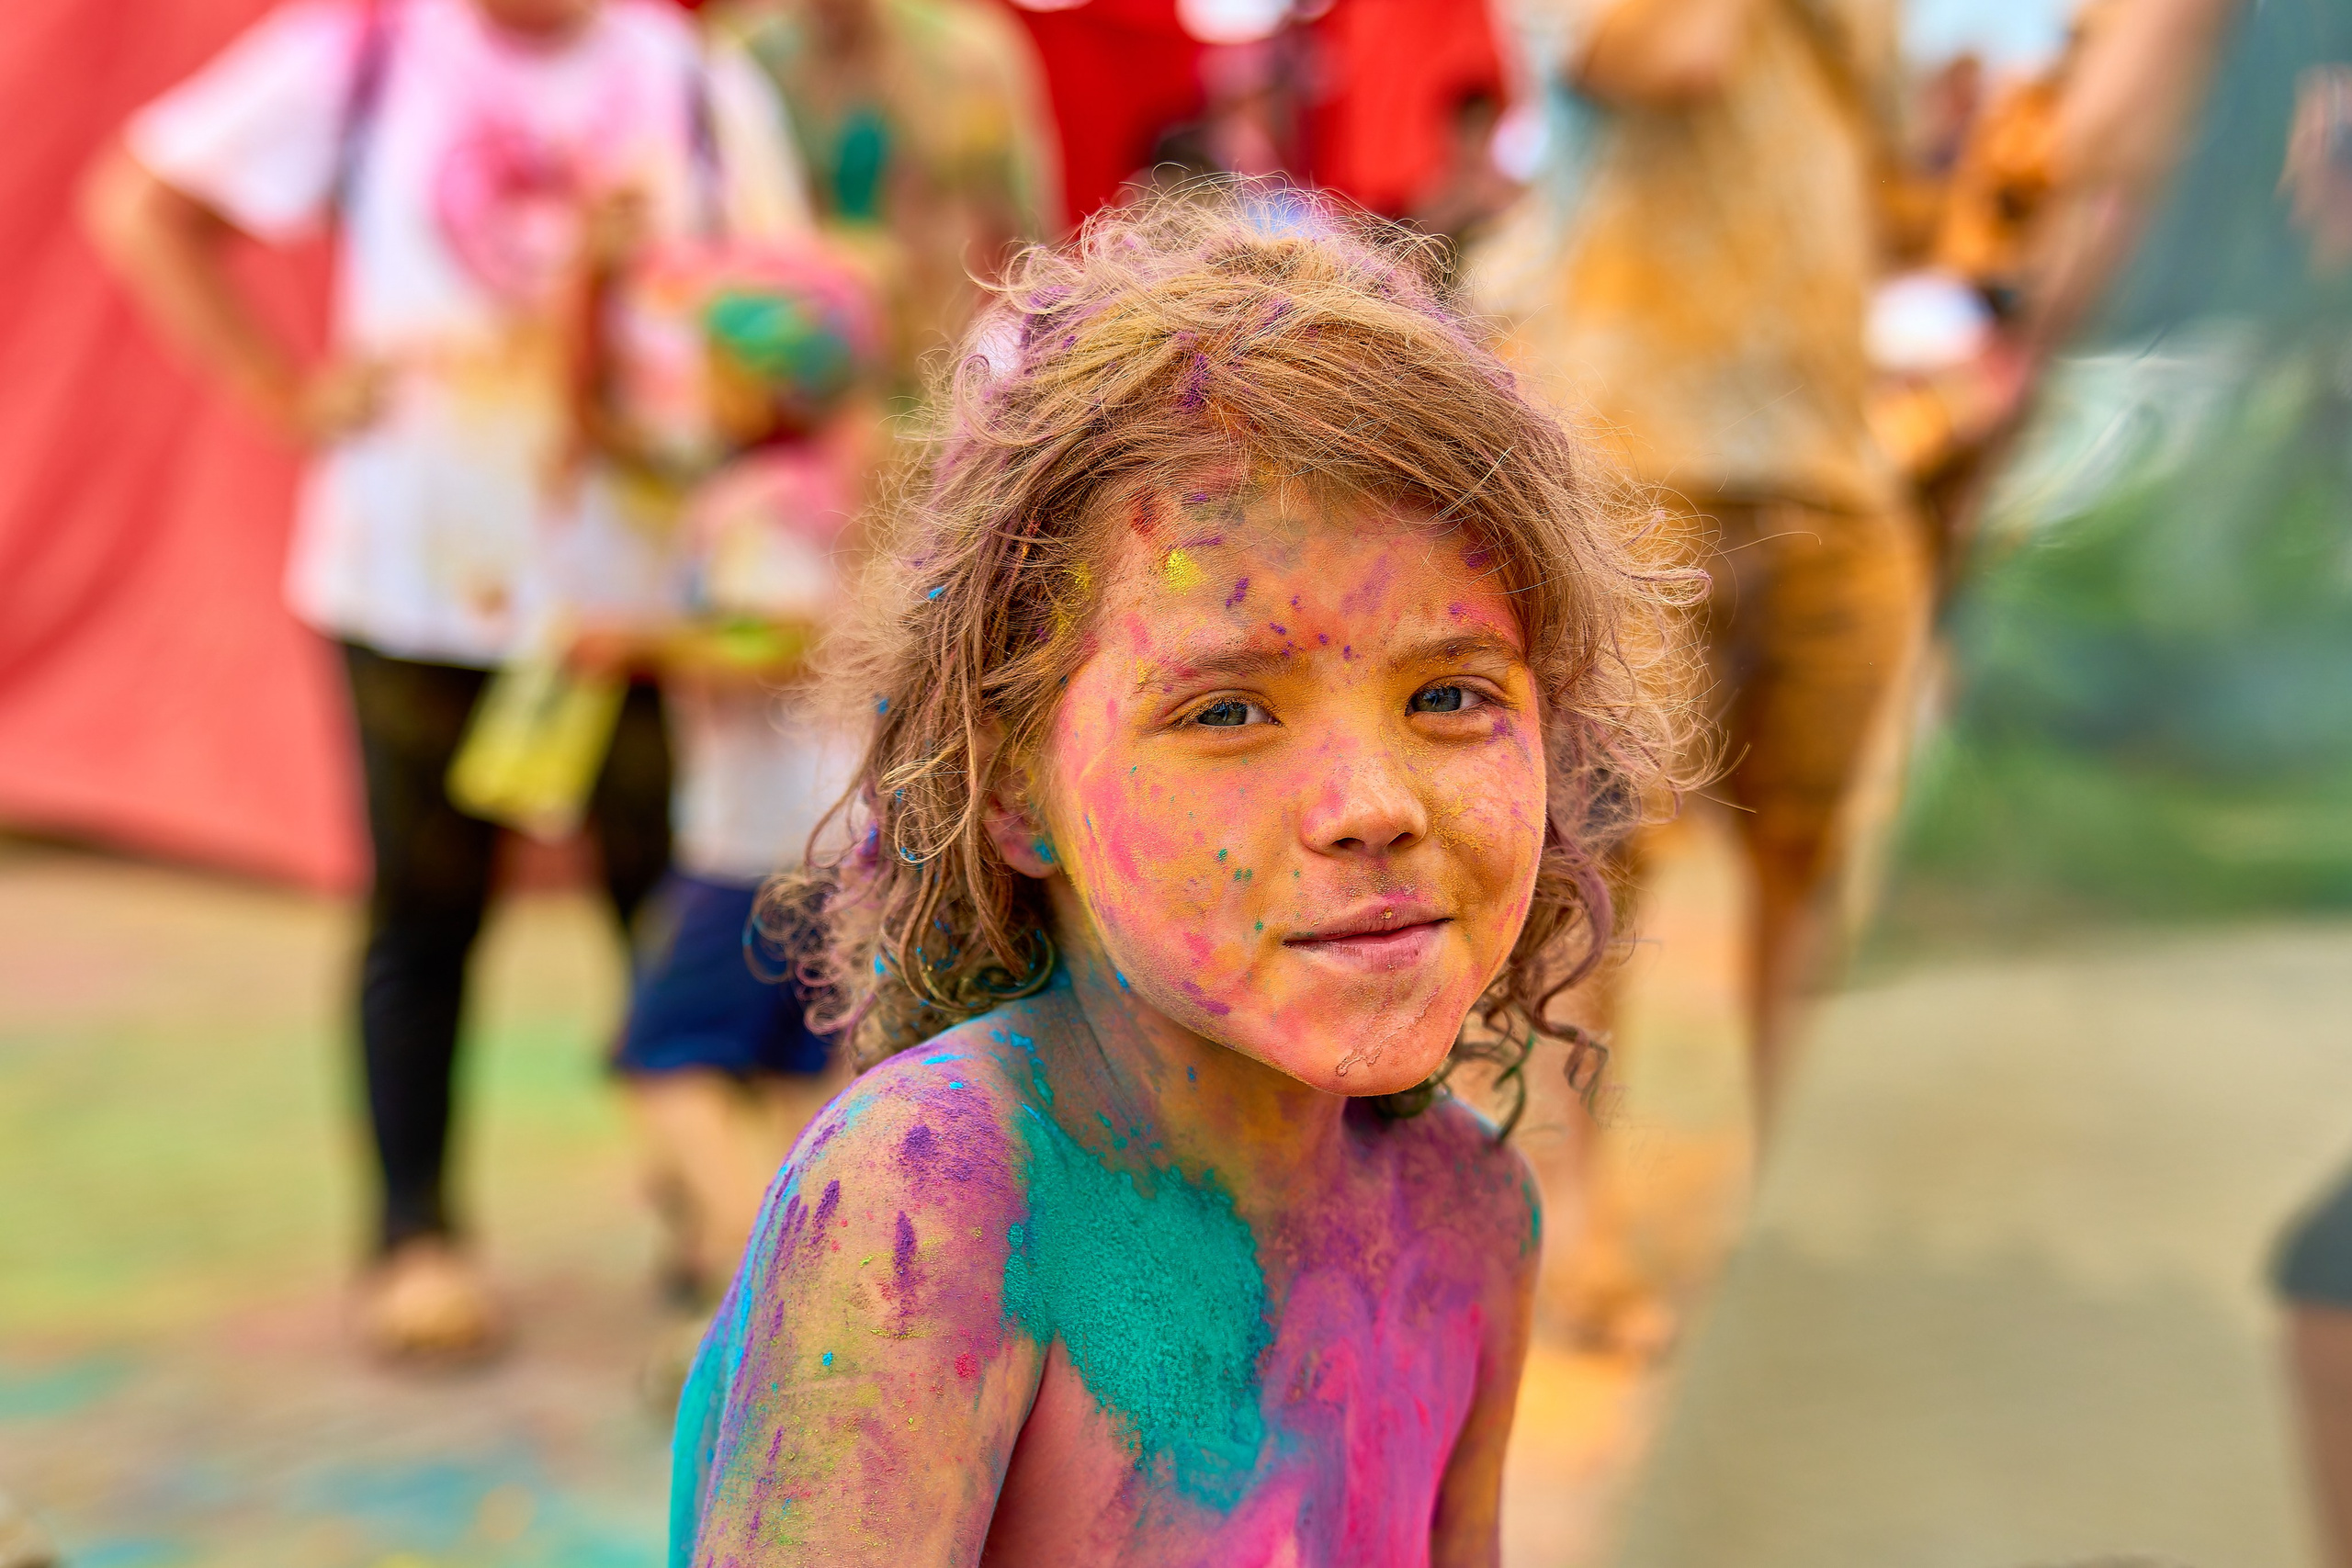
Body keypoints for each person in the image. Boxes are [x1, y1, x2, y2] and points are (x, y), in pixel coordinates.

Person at [664, 188, 1697, 1562]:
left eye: (1450, 693)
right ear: (1012, 781)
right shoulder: (936, 1202)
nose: (1373, 806)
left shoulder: (1467, 1216)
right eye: (1225, 711)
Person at [81, 0, 803, 1360]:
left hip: (640, 598)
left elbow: (786, 305)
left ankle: (714, 1220)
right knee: (425, 908)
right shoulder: (363, 45)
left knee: (677, 904)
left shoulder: (697, 79)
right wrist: (278, 392)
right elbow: (140, 202)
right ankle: (416, 1231)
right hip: (417, 572)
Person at [1466, 0, 1922, 1346]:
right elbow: (1681, 51)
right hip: (1632, 449)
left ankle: (1777, 1227)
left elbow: (1875, 157)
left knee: (1812, 857)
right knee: (1608, 868)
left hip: (1830, 452)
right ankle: (1583, 1232)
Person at [717, 0, 1061, 398]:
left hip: (938, 354)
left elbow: (1029, 228)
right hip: (813, 375)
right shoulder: (752, 58)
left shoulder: (966, 56)